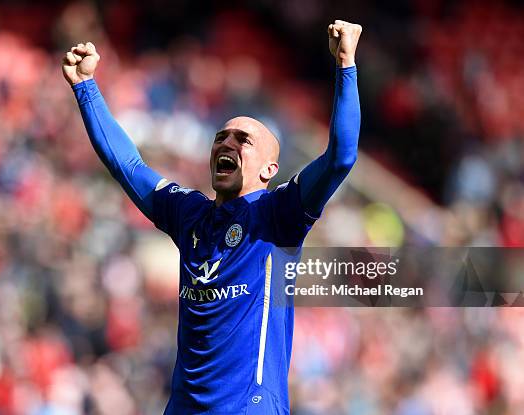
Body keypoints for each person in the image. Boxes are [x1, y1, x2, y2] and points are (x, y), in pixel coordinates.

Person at [62, 19, 361, 415]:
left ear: (270, 170)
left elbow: (340, 156)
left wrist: (346, 63)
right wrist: (85, 87)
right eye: (221, 136)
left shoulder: (279, 214)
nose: (227, 142)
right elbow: (128, 165)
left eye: (244, 139)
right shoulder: (190, 214)